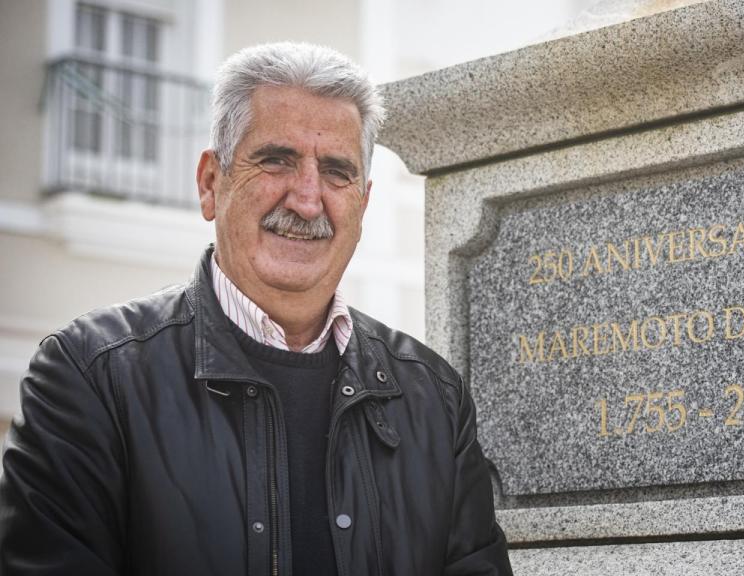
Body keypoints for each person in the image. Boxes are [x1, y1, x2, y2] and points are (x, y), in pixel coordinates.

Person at [0, 42, 512, 575]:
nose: (308, 199)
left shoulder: (437, 400)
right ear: (209, 183)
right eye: (276, 161)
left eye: (337, 171)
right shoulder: (89, 377)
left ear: (363, 203)